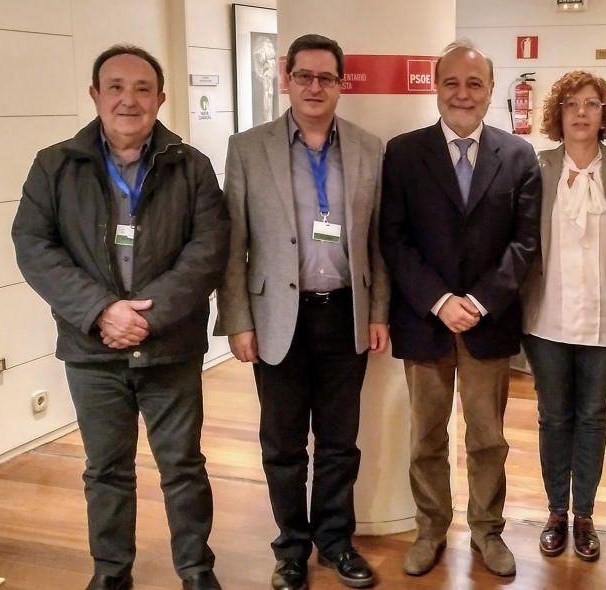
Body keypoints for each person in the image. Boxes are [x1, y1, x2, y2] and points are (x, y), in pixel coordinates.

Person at [11, 45, 228, 590]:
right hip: (92, 349)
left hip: (171, 346)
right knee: (106, 470)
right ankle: (111, 574)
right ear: (94, 95)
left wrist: (149, 317)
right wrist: (100, 310)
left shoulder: (191, 166)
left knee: (183, 468)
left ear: (159, 97)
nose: (128, 100)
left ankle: (197, 572)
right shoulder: (54, 166)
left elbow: (208, 250)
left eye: (141, 89)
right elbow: (34, 246)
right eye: (115, 87)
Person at [215, 34, 389, 590]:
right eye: (305, 76)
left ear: (342, 84)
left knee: (340, 442)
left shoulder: (368, 147)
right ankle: (291, 547)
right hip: (275, 320)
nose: (316, 87)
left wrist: (379, 311)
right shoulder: (247, 148)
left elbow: (378, 241)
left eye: (327, 78)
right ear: (286, 79)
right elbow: (233, 243)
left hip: (346, 314)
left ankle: (336, 541)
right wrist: (237, 319)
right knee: (283, 444)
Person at [379, 40, 540, 578]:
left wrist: (478, 302)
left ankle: (487, 531)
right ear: (435, 87)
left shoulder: (518, 156)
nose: (462, 93)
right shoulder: (403, 153)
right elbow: (394, 239)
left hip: (487, 324)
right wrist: (441, 301)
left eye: (474, 84)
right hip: (426, 322)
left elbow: (525, 243)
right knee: (426, 436)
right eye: (452, 82)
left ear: (491, 91)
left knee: (487, 438)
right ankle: (430, 529)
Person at [519, 70, 606, 562]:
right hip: (546, 320)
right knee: (552, 417)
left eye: (592, 104)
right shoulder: (537, 167)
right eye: (572, 105)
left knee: (592, 418)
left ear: (604, 113)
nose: (582, 113)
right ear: (559, 115)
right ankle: (555, 512)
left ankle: (584, 514)